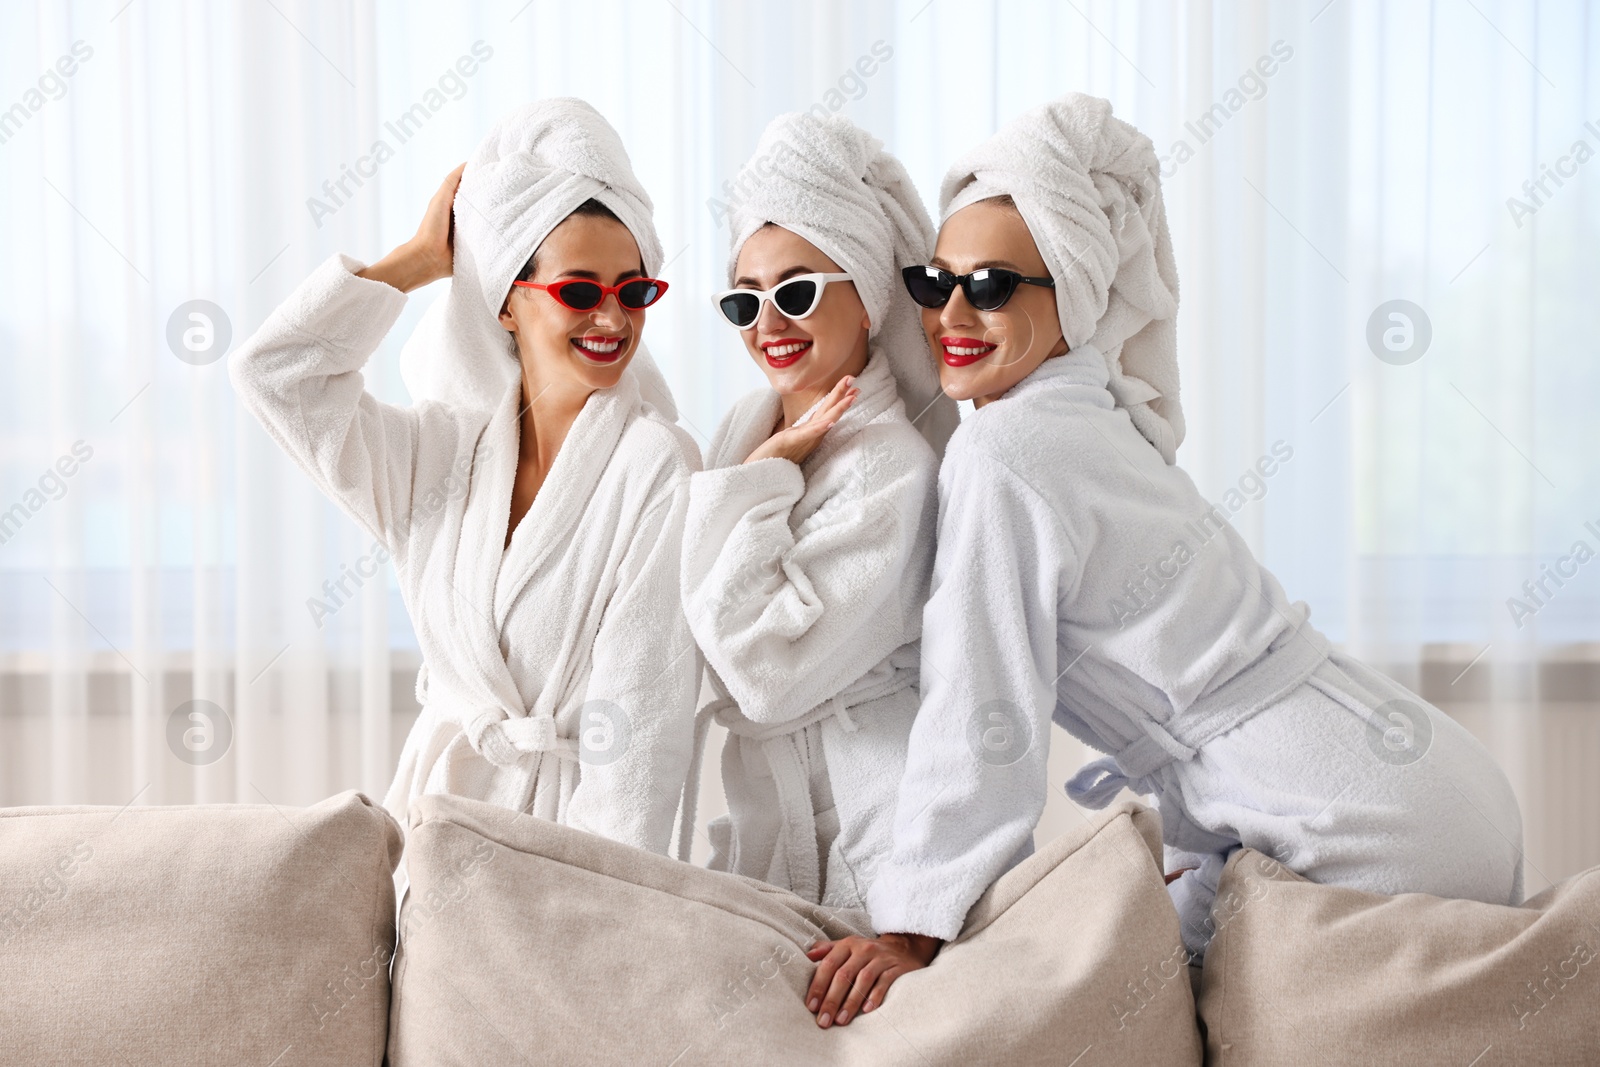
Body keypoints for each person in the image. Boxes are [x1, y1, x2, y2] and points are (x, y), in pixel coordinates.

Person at [803, 93, 1524, 1027]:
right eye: (935, 282)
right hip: (1434, 787)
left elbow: (980, 708)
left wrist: (910, 924)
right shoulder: (1097, 411)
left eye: (991, 286)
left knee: (1121, 1008)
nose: (951, 314)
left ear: (1074, 289)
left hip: (1366, 826)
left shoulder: (1005, 449)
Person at [229, 99, 701, 856]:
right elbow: (276, 375)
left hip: (569, 858)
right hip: (428, 843)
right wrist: (417, 261)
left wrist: (588, 919)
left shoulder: (657, 466)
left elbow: (640, 735)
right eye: (580, 291)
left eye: (634, 290)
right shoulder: (442, 455)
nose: (612, 317)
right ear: (509, 302)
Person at [676, 112, 957, 912]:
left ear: (867, 301)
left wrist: (759, 484)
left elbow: (766, 673)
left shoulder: (890, 465)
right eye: (744, 301)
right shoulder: (745, 425)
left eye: (796, 292)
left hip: (877, 814)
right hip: (771, 803)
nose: (768, 325)